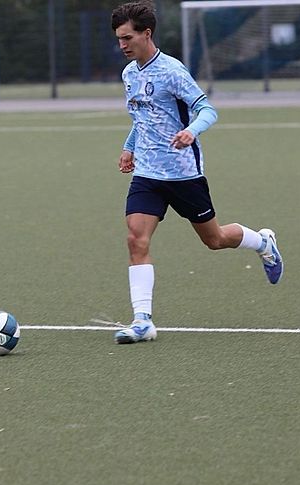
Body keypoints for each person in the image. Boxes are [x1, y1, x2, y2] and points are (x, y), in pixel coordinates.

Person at [111, 1, 283, 345]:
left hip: (183, 174)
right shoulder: (129, 74)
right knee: (136, 239)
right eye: (118, 38)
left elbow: (207, 109)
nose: (122, 45)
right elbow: (141, 118)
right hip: (147, 175)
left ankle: (263, 242)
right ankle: (142, 322)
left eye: (127, 37)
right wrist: (129, 147)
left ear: (147, 34)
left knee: (214, 240)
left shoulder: (172, 71)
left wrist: (192, 131)